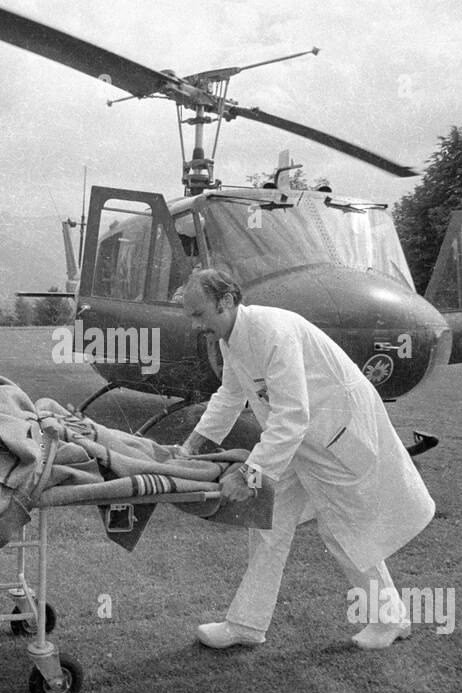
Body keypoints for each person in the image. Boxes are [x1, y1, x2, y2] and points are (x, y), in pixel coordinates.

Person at [177, 269, 435, 651]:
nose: (196, 325)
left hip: (336, 435)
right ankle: (246, 625)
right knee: (267, 521)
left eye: (199, 315)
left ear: (226, 301)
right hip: (300, 441)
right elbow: (230, 396)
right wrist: (190, 447)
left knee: (342, 529)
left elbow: (291, 415)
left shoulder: (271, 331)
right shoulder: (232, 338)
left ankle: (390, 620)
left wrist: (249, 474)